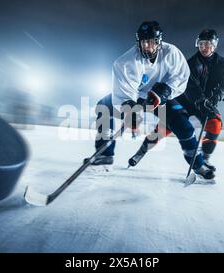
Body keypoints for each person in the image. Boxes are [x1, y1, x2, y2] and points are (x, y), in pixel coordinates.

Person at [87, 21, 215, 180]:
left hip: (160, 98)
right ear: (138, 42)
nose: (147, 46)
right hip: (136, 97)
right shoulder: (125, 63)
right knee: (103, 107)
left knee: (183, 125)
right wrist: (129, 110)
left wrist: (165, 91)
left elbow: (181, 77)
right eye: (144, 42)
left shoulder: (171, 53)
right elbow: (123, 95)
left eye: (152, 42)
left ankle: (198, 164)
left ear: (159, 42)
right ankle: (104, 157)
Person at [128, 29, 224, 175]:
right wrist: (201, 101)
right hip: (185, 102)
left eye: (208, 44)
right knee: (162, 130)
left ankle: (205, 158)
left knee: (215, 124)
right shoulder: (190, 64)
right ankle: (140, 152)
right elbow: (189, 88)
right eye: (201, 44)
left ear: (215, 45)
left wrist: (221, 94)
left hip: (206, 104)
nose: (204, 47)